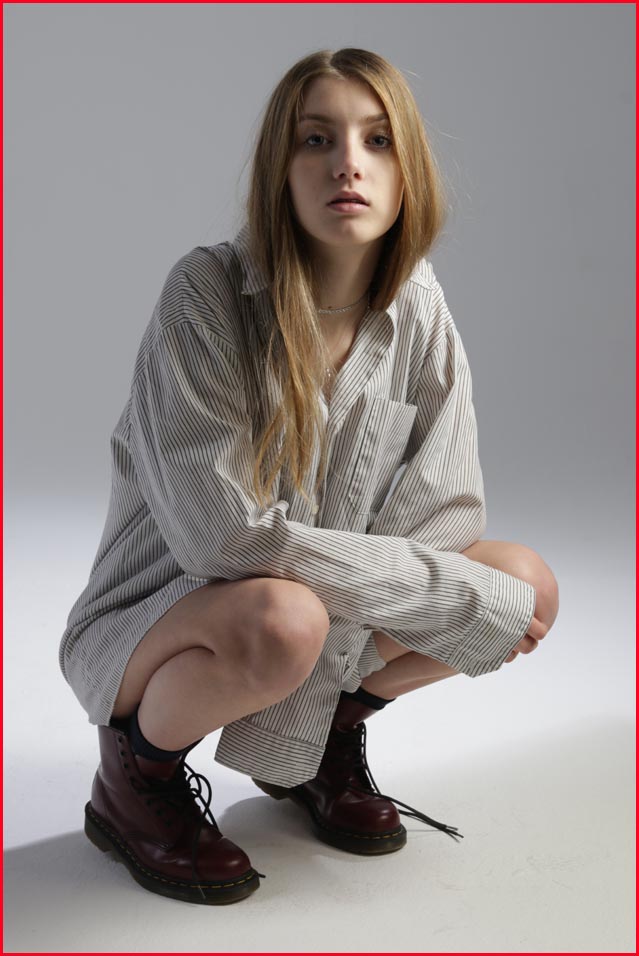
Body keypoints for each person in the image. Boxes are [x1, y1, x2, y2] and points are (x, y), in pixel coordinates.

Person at [59, 47, 559, 906]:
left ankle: (319, 737)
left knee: (523, 584)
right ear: (280, 169)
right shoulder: (205, 294)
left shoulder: (419, 303)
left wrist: (441, 594)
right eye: (316, 139)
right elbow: (221, 539)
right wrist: (431, 597)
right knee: (287, 618)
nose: (346, 164)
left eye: (376, 140)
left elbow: (450, 508)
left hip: (314, 619)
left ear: (406, 170)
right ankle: (135, 774)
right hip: (165, 617)